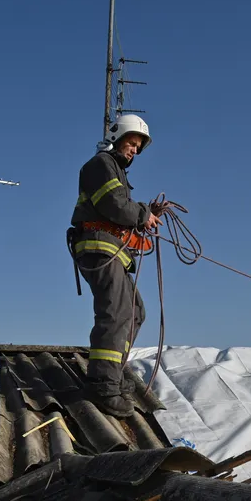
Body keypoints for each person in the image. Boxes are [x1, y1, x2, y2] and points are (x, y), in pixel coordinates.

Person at [67, 114, 161, 418]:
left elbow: (120, 208)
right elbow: (116, 206)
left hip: (111, 251)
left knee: (135, 312)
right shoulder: (101, 165)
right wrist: (142, 214)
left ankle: (113, 375)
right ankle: (102, 384)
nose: (134, 150)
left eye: (137, 147)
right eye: (131, 143)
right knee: (117, 312)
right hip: (98, 248)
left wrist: (144, 214)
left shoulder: (115, 171)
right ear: (116, 136)